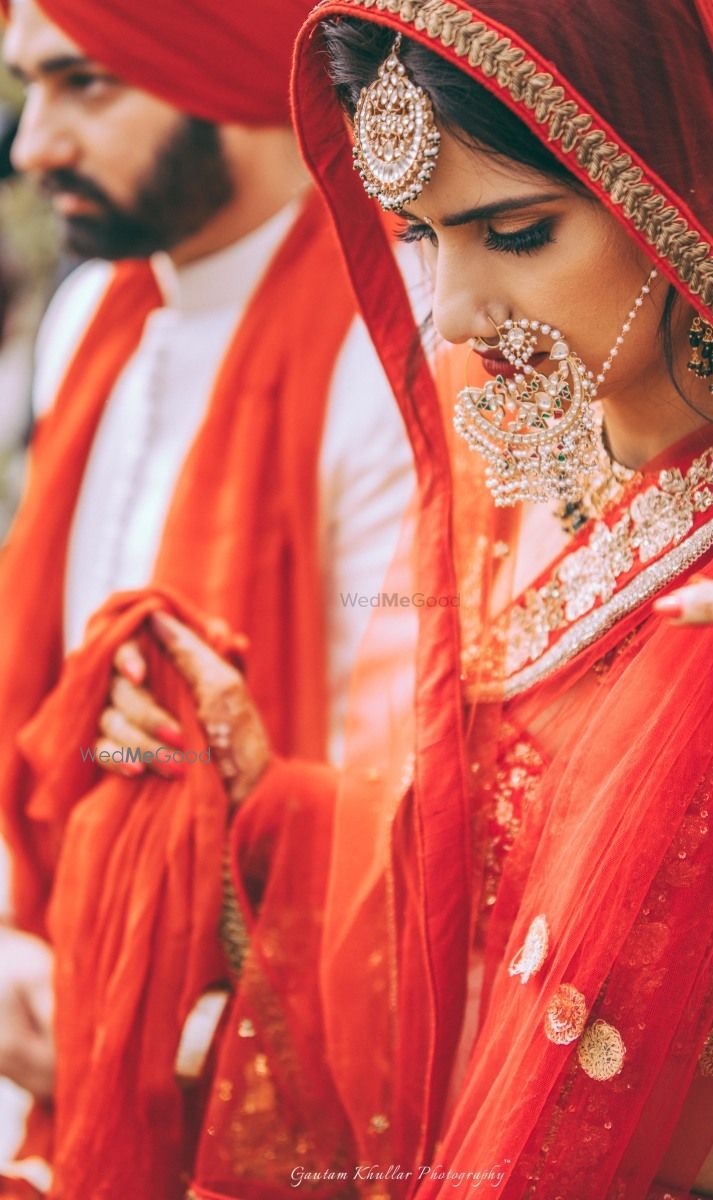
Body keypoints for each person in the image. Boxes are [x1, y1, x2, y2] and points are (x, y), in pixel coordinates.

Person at [190, 1, 713, 1198]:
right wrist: (265, 805)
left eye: (513, 233)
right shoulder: (532, 479)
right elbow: (486, 891)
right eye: (419, 238)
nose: (456, 313)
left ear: (688, 184)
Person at [0, 0, 413, 1194]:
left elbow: (386, 773)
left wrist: (151, 998)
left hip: (264, 1046)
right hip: (53, 995)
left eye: (85, 85)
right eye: (31, 88)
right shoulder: (96, 313)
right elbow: (36, 682)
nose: (34, 143)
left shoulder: (385, 339)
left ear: (224, 67)